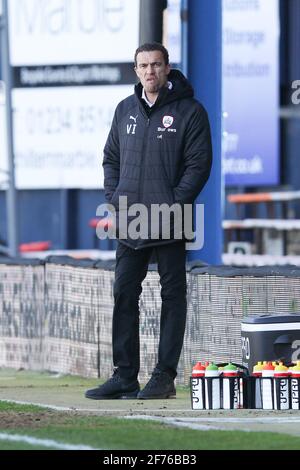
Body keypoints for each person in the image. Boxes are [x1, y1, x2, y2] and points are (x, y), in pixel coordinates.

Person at [85, 43, 212, 400]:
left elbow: (199, 166)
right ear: (136, 70)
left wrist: (174, 204)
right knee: (124, 293)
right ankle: (125, 376)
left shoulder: (191, 111)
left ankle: (164, 377)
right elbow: (110, 158)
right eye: (143, 66)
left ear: (167, 68)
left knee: (173, 295)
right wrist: (115, 198)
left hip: (171, 218)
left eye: (156, 65)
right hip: (131, 219)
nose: (150, 71)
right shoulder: (124, 109)